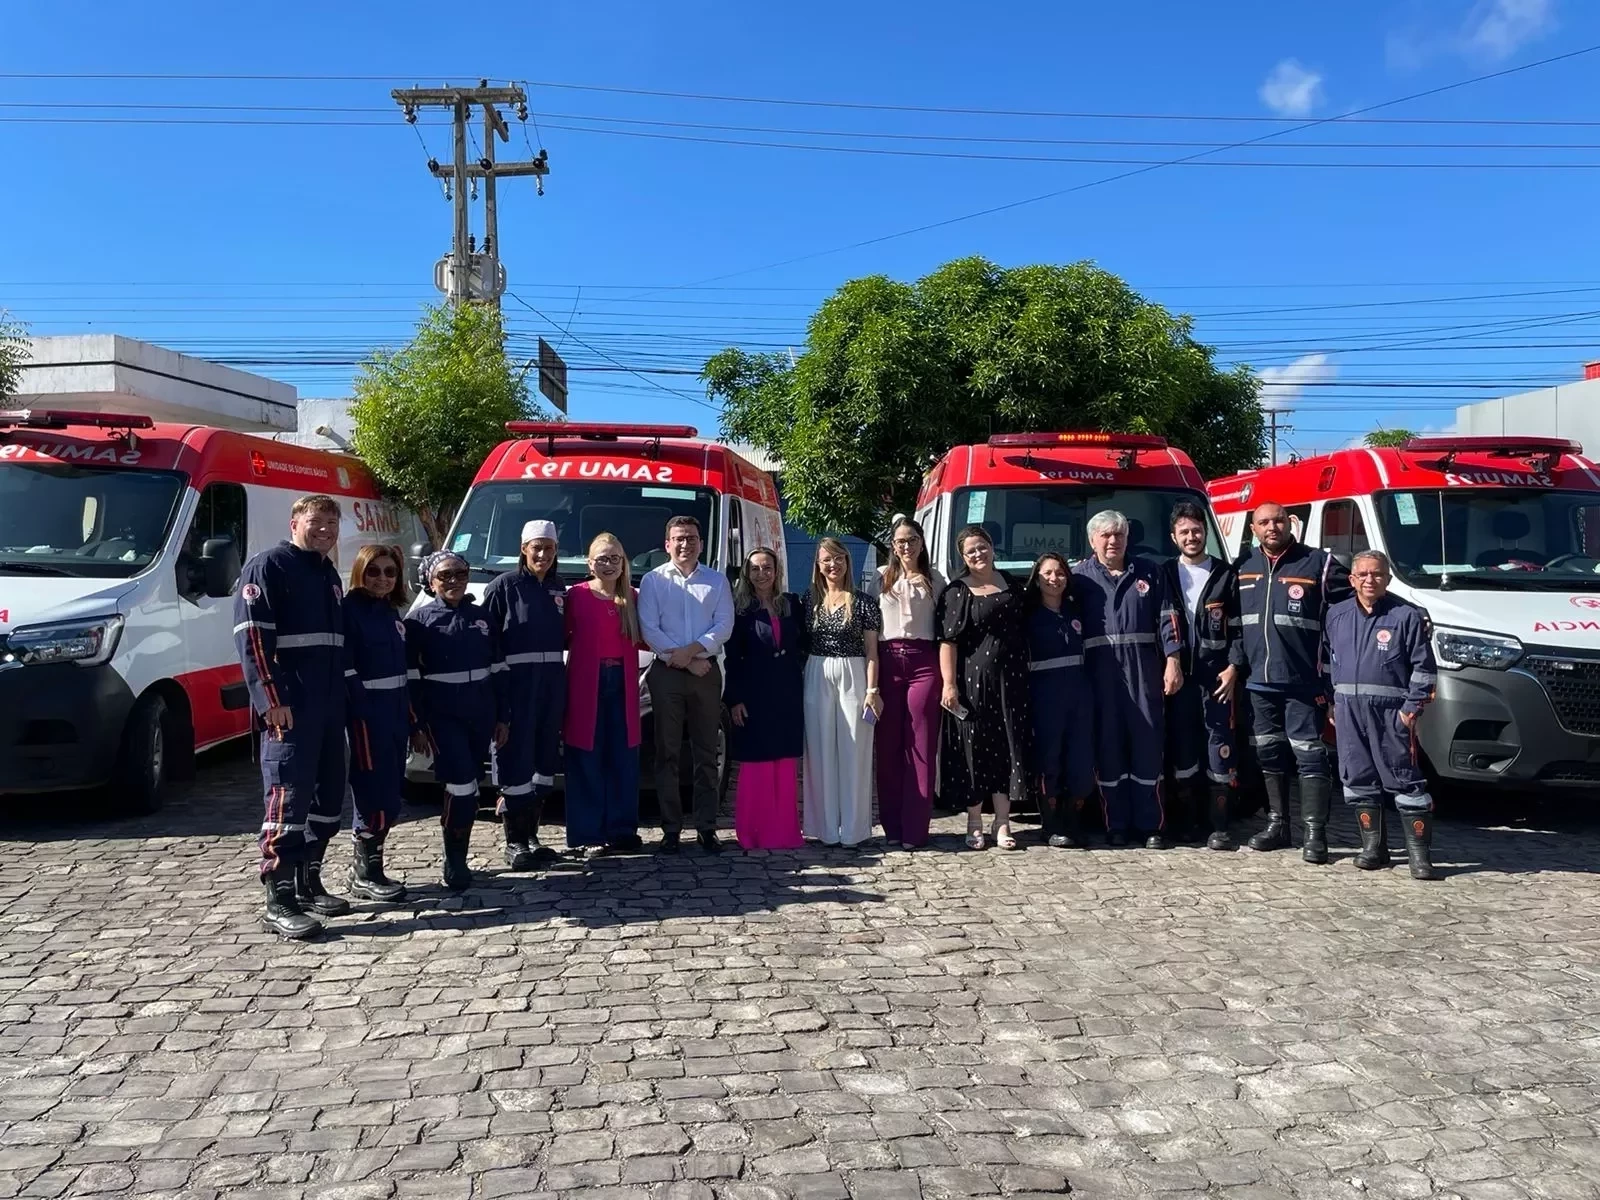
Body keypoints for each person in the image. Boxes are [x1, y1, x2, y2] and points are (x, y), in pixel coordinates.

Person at [234, 494, 350, 939]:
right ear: (295, 522)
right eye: (316, 521)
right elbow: (253, 639)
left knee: (327, 798)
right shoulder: (269, 567)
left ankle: (308, 881)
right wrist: (270, 698)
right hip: (292, 707)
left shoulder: (327, 575)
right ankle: (278, 898)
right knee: (288, 799)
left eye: (332, 524)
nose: (325, 530)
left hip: (328, 707)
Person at [1235, 502, 1351, 863]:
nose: (1272, 527)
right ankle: (1278, 825)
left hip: (1303, 681)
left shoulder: (1319, 563)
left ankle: (1315, 834)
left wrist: (1408, 613)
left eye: (1279, 520)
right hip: (1258, 683)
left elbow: (1359, 597)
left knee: (1309, 755)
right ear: (1253, 529)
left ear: (1291, 524)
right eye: (1264, 522)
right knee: (1268, 753)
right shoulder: (1243, 567)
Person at [1072, 510, 1184, 849]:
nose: (1113, 541)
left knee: (1148, 746)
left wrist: (1174, 660)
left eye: (1118, 534)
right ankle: (1116, 824)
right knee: (1108, 750)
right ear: (1092, 541)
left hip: (1145, 673)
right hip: (1100, 674)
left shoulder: (1149, 571)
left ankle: (1151, 825)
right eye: (1105, 535)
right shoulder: (1079, 577)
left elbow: (1169, 618)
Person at [1325, 550, 1440, 880]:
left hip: (1391, 714)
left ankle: (1420, 857)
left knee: (1404, 779)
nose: (1369, 580)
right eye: (1362, 574)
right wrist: (1331, 701)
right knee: (1358, 778)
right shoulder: (1336, 615)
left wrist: (1410, 710)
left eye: (1376, 574)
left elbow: (1423, 669)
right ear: (1352, 579)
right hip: (1348, 712)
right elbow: (1327, 661)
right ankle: (1373, 848)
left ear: (1388, 579)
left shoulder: (1406, 616)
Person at [406, 551, 508, 891]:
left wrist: (502, 717)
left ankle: (459, 855)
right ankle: (454, 862)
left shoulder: (482, 617)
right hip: (442, 716)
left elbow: (498, 669)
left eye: (460, 574)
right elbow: (411, 679)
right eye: (445, 575)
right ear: (431, 581)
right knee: (461, 785)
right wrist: (417, 724)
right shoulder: (418, 622)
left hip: (480, 714)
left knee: (473, 784)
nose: (453, 581)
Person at [638, 515, 735, 853]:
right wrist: (679, 659)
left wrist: (693, 654)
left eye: (691, 538)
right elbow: (649, 628)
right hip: (666, 674)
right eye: (678, 538)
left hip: (705, 672)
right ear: (667, 544)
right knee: (666, 752)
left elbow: (724, 625)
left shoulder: (717, 581)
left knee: (707, 752)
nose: (685, 544)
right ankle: (671, 830)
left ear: (701, 543)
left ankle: (707, 827)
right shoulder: (653, 581)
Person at [938, 525, 1031, 851]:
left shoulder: (1015, 586)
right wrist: (949, 685)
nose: (979, 554)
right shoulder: (957, 591)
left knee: (1008, 749)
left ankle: (1003, 824)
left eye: (982, 547)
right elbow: (948, 642)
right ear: (963, 557)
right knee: (974, 752)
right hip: (973, 685)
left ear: (992, 547)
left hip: (1012, 683)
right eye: (971, 551)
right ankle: (975, 822)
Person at [482, 519, 566, 870]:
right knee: (514, 762)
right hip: (517, 690)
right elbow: (487, 641)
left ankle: (532, 836)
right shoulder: (504, 586)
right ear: (524, 549)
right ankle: (514, 842)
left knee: (544, 763)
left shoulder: (559, 588)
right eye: (537, 548)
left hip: (550, 689)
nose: (543, 554)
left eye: (549, 548)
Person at [1161, 502, 1245, 851]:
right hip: (1178, 677)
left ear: (1206, 533)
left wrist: (1234, 667)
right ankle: (1187, 823)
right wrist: (1171, 660)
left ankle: (1220, 826)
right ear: (1173, 537)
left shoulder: (1227, 574)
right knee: (1182, 748)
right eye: (1184, 531)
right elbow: (1160, 623)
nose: (1191, 537)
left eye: (1197, 530)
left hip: (1217, 676)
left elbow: (1241, 628)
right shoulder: (1163, 574)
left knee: (1218, 748)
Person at [564, 533, 646, 854]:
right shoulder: (576, 596)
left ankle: (622, 830)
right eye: (602, 559)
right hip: (587, 683)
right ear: (590, 563)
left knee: (623, 757)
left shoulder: (633, 598)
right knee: (586, 756)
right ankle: (587, 833)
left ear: (623, 562)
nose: (609, 564)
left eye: (615, 558)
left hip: (623, 682)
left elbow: (649, 637)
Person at [342, 543, 414, 903]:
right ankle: (364, 872)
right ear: (360, 572)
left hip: (396, 712)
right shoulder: (350, 611)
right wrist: (362, 709)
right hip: (368, 714)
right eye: (374, 571)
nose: (382, 579)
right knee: (371, 788)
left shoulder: (392, 613)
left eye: (389, 571)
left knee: (390, 789)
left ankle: (374, 866)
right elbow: (347, 665)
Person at [802, 538, 883, 846]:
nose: (833, 565)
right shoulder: (808, 600)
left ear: (847, 562)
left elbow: (872, 651)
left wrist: (872, 690)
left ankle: (853, 830)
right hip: (817, 671)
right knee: (819, 751)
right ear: (818, 566)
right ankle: (823, 828)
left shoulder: (863, 602)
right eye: (826, 560)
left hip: (854, 672)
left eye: (838, 558)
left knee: (855, 750)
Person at [724, 547, 806, 850]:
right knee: (757, 765)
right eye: (755, 568)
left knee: (784, 764)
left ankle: (784, 832)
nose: (762, 573)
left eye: (767, 567)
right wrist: (734, 699)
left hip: (787, 693)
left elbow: (803, 644)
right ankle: (753, 832)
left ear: (777, 571)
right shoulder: (740, 610)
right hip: (754, 696)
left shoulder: (791, 604)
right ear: (747, 573)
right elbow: (732, 658)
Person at [871, 517, 945, 850]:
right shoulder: (880, 579)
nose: (906, 546)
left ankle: (916, 829)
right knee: (887, 746)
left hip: (923, 660)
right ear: (892, 545)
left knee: (921, 743)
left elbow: (947, 624)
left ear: (921, 542)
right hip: (888, 660)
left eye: (912, 539)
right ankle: (893, 827)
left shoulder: (935, 579)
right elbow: (870, 629)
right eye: (900, 541)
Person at [1024, 552, 1094, 849]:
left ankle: (1074, 821)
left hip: (1079, 696)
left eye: (1060, 573)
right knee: (1049, 760)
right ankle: (1050, 824)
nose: (1055, 579)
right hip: (1045, 698)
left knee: (1080, 760)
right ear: (1037, 579)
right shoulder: (1028, 616)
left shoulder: (1077, 611)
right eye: (1048, 573)